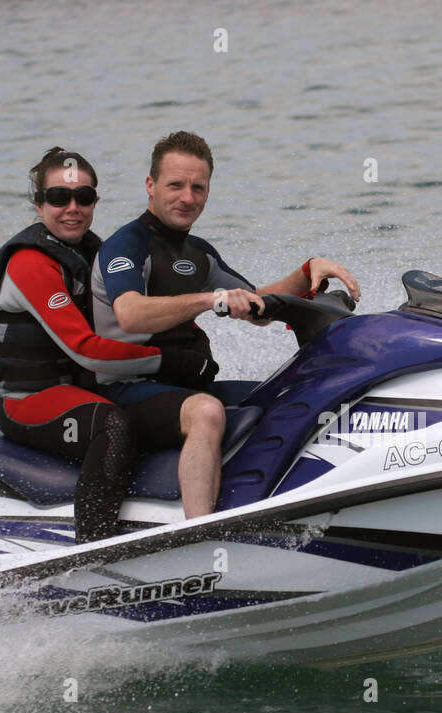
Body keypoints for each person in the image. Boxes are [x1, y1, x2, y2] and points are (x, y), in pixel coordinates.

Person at [90, 130, 361, 517]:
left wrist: (307, 272)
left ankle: (303, 498)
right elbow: (130, 313)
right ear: (150, 185)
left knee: (293, 396)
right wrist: (209, 299)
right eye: (176, 185)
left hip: (185, 386)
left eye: (198, 187)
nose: (188, 197)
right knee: (207, 412)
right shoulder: (126, 246)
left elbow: (255, 305)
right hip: (126, 392)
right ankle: (200, 535)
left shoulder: (198, 253)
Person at [0, 148, 204, 543]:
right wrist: (166, 360)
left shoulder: (91, 252)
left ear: (95, 202)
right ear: (39, 205)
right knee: (114, 425)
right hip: (28, 399)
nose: (73, 208)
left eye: (84, 197)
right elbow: (85, 348)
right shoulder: (31, 263)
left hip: (83, 389)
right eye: (58, 198)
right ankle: (93, 548)